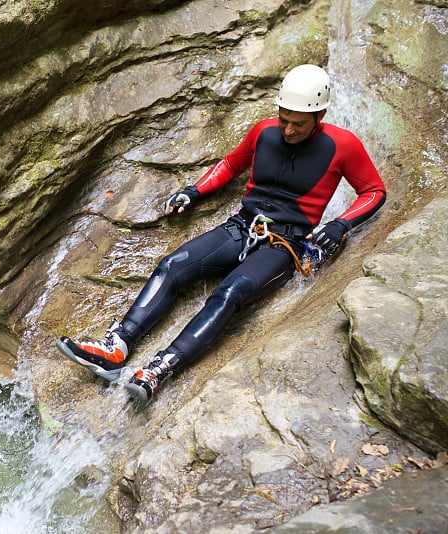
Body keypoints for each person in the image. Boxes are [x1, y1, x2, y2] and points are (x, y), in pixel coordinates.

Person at [56, 64, 386, 405]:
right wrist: (194, 191)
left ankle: (161, 368)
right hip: (242, 226)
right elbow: (231, 164)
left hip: (284, 245)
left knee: (230, 292)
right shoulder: (264, 132)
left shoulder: (342, 145)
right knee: (172, 265)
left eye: (298, 123)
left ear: (320, 114)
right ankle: (116, 349)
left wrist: (340, 223)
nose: (287, 129)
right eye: (283, 118)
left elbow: (374, 191)